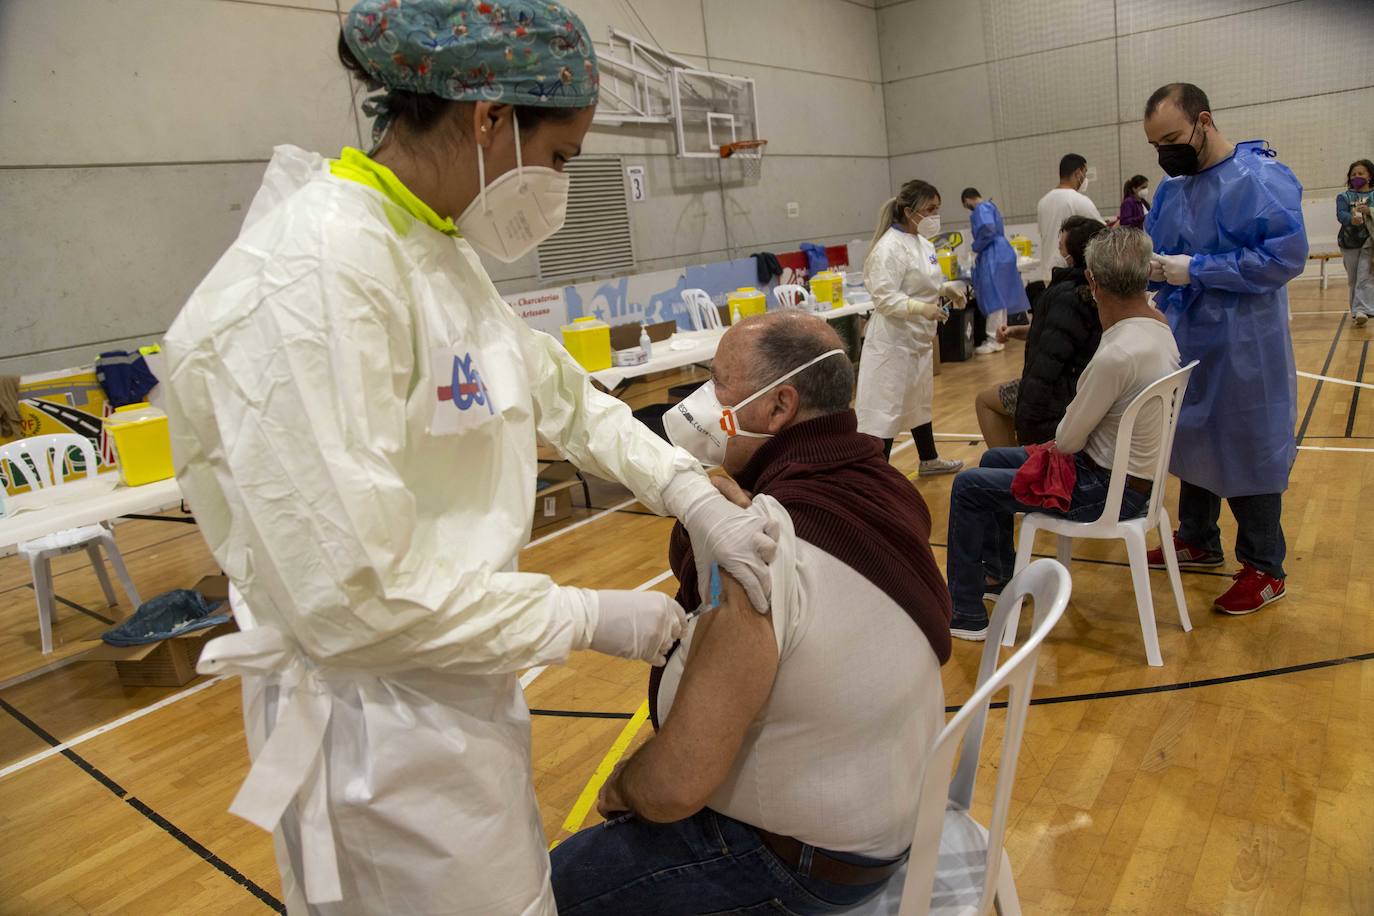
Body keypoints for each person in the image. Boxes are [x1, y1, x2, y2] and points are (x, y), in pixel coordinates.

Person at [160, 4, 778, 914]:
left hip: (453, 687)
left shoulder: (428, 246)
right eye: (560, 158)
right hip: (376, 738)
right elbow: (356, 599)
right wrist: (586, 616)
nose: (560, 186)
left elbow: (559, 393)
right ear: (490, 117)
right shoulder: (313, 277)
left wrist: (690, 491)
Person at [551, 312, 951, 914]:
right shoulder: (883, 485)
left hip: (800, 865)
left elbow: (675, 785)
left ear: (779, 406)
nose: (701, 401)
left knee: (542, 889)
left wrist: (623, 787)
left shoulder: (761, 541)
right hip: (892, 817)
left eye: (718, 382)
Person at [946, 227, 1180, 640]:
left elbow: (1069, 440)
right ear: (1146, 275)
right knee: (993, 459)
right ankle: (1000, 576)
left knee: (968, 487)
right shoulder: (1159, 330)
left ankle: (966, 614)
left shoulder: (1116, 353)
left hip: (1104, 491)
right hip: (1137, 482)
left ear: (1092, 280)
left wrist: (1059, 438)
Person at [1143, 82, 1307, 616]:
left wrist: (1198, 268)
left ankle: (1265, 567)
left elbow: (1284, 258)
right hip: (1188, 334)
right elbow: (1158, 250)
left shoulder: (1260, 179)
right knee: (1193, 432)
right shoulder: (1172, 189)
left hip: (1245, 342)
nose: (1165, 153)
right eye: (1156, 145)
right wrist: (1151, 271)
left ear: (1204, 121)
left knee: (1247, 440)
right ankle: (1197, 537)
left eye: (1172, 140)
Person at [857, 179, 966, 474]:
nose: (935, 216)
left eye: (937, 209)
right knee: (885, 411)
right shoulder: (888, 248)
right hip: (892, 342)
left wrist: (945, 289)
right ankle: (877, 476)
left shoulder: (923, 244)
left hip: (918, 339)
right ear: (908, 211)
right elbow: (884, 298)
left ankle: (928, 459)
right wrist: (921, 308)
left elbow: (923, 281)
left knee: (919, 402)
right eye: (929, 209)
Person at [973, 216, 1107, 449]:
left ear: (1074, 254)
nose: (1058, 252)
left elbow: (1047, 366)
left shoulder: (1067, 295)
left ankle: (1011, 465)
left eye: (1061, 247)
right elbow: (1062, 333)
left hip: (1059, 395)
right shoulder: (1101, 290)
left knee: (984, 401)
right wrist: (1018, 331)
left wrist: (1029, 417)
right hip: (1083, 386)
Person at [961, 187, 1031, 355]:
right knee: (1001, 299)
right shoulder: (991, 206)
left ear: (967, 200)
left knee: (993, 298)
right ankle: (1000, 335)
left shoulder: (981, 209)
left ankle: (994, 338)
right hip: (1002, 253)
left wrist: (976, 246)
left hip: (993, 255)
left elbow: (987, 229)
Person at [1037, 153, 1102, 285]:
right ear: (1078, 173)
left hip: (1048, 272)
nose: (1085, 179)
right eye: (1085, 173)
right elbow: (1102, 232)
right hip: (1069, 274)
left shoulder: (1042, 202)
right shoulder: (1078, 200)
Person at [1337, 159, 1374, 326]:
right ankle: (1357, 312)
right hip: (1349, 242)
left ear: (1369, 176)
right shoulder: (1344, 197)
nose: (1356, 176)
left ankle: (1362, 310)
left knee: (1365, 276)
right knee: (1353, 279)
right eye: (1353, 174)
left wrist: (1370, 211)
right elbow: (1341, 215)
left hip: (1369, 242)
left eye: (1360, 173)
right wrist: (1352, 219)